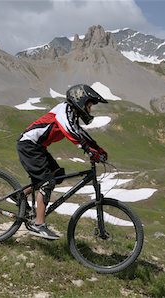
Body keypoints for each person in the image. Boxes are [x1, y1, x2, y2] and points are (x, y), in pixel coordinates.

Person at [17, 84, 108, 240]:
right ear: (80, 100)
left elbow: (79, 132)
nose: (90, 109)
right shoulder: (64, 110)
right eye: (89, 105)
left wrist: (97, 149)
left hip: (37, 147)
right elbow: (69, 130)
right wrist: (87, 150)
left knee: (57, 174)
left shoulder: (70, 114)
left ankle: (20, 195)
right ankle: (39, 225)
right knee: (48, 182)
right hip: (29, 145)